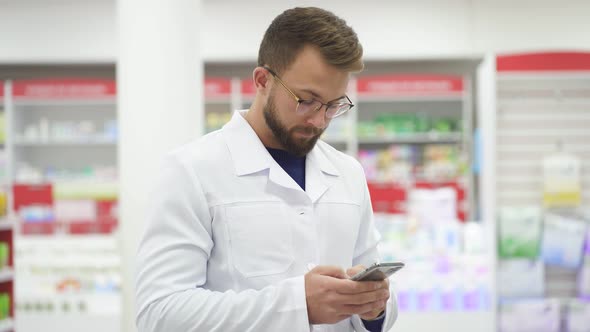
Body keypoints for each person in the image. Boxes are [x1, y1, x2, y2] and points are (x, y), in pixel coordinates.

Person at [135, 6, 398, 332]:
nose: (319, 120)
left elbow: (372, 289)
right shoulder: (191, 170)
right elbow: (160, 313)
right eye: (307, 100)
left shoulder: (349, 173)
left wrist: (372, 308)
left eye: (334, 106)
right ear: (262, 80)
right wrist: (297, 305)